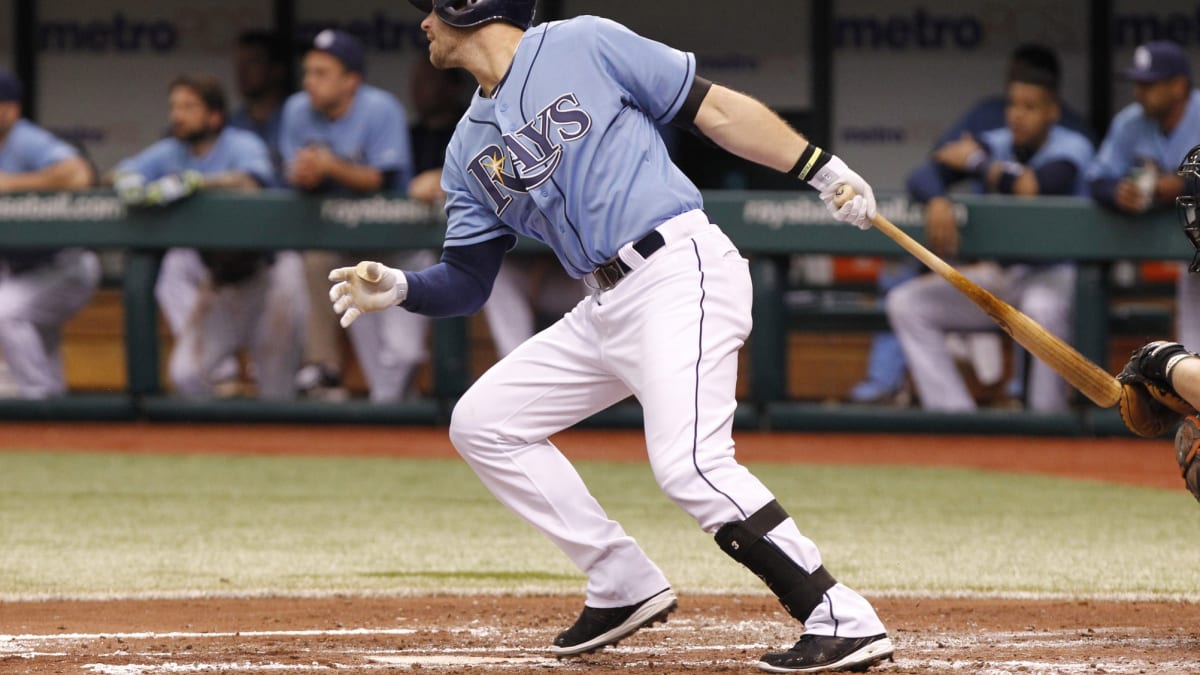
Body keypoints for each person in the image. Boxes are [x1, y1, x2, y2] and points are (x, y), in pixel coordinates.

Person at [329, 1, 892, 672]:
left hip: (680, 269)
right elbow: (469, 278)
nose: (422, 23)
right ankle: (622, 579)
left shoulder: (582, 43)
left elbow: (712, 110)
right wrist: (401, 288)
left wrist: (819, 168)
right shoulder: (465, 147)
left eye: (431, 9)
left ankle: (840, 616)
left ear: (469, 5)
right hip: (603, 303)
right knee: (484, 421)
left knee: (691, 464)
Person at [848, 43, 1094, 405]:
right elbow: (925, 172)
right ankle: (955, 419)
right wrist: (937, 198)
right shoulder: (996, 142)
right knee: (907, 302)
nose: (1018, 115)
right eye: (1013, 105)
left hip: (1056, 277)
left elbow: (1034, 186)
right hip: (1003, 274)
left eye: (1030, 107)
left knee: (1042, 309)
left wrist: (978, 162)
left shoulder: (1073, 144)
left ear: (1053, 111)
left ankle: (1047, 424)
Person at [113, 73, 307, 399]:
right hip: (222, 282)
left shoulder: (241, 143)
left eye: (189, 107)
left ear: (214, 116)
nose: (177, 115)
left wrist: (197, 183)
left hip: (271, 276)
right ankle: (223, 441)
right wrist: (127, 179)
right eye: (174, 106)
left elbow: (250, 182)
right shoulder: (170, 151)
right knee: (186, 374)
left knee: (278, 391)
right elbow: (121, 171)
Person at [281, 29, 431, 402]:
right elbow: (292, 172)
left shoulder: (380, 108)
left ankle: (404, 430)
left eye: (321, 73)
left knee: (404, 353)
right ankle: (327, 372)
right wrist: (306, 174)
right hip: (348, 252)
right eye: (308, 72)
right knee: (383, 374)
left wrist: (330, 167)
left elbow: (380, 177)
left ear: (351, 80)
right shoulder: (297, 110)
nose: (309, 82)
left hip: (397, 246)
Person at [1085, 40, 1200, 351]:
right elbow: (1097, 179)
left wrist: (1184, 185)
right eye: (1137, 83)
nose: (1139, 92)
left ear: (1179, 86)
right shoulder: (1130, 122)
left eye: (1149, 84)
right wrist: (1116, 192)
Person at [0, 69, 99, 399]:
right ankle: (55, 416)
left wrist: (12, 184)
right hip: (20, 268)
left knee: (6, 312)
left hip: (63, 263)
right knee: (37, 338)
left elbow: (79, 175)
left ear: (11, 109)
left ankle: (38, 402)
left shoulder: (25, 139)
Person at [228, 30, 292, 179]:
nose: (242, 71)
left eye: (253, 62)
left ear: (278, 69)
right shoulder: (232, 124)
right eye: (239, 63)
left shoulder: (296, 117)